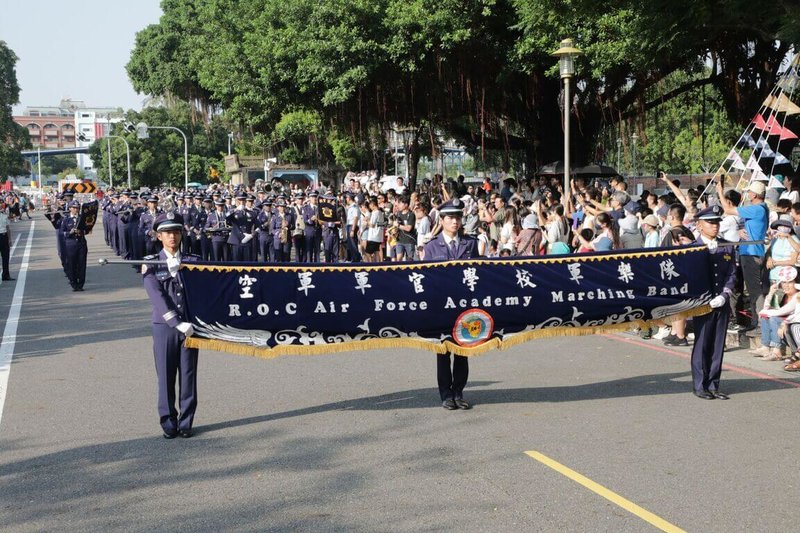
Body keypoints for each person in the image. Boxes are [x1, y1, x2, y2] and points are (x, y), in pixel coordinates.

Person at [142, 212, 200, 438]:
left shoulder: (193, 261)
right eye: (167, 233)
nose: (172, 237)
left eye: (176, 232)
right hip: (165, 327)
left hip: (190, 326)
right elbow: (156, 296)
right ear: (159, 236)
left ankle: (186, 422)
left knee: (188, 375)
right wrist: (176, 323)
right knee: (166, 376)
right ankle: (168, 422)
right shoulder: (151, 264)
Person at [422, 198, 479, 410]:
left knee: (463, 351)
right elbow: (426, 277)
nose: (455, 222)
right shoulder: (431, 246)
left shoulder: (470, 244)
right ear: (442, 220)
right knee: (444, 351)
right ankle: (446, 394)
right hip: (440, 306)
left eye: (458, 217)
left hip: (464, 305)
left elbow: (478, 274)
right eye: (450, 218)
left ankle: (459, 392)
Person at [690, 205, 737, 400]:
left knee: (718, 344)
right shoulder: (692, 248)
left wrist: (725, 295)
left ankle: (714, 384)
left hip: (721, 301)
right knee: (702, 343)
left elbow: (732, 273)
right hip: (702, 303)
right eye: (710, 223)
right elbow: (689, 277)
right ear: (699, 225)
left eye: (717, 222)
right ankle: (700, 385)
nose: (715, 226)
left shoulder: (726, 245)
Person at [59, 200, 88, 291]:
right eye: (74, 208)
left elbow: (87, 229)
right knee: (72, 264)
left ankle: (81, 284)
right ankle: (74, 283)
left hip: (81, 243)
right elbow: (62, 233)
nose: (76, 209)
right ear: (70, 208)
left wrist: (82, 232)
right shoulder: (66, 219)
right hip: (71, 244)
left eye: (78, 208)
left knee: (82, 264)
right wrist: (70, 232)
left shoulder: (82, 218)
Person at [0, 201, 11, 282]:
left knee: (5, 257)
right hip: (3, 236)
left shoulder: (4, 216)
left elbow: (8, 228)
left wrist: (10, 239)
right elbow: (8, 229)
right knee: (5, 257)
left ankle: (6, 275)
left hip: (4, 236)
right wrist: (10, 239)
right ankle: (5, 275)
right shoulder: (4, 216)